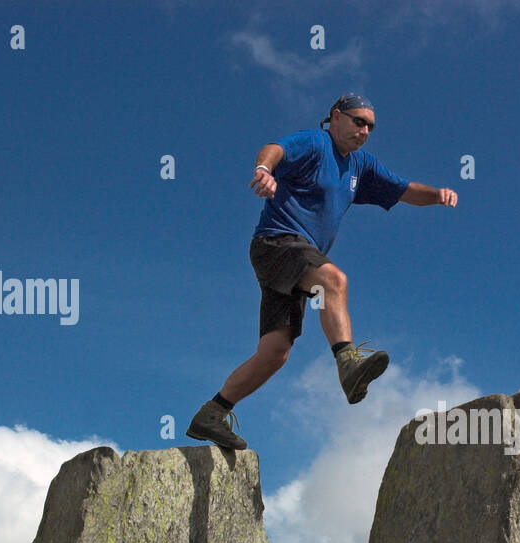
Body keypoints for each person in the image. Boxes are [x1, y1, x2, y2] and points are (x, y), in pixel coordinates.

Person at [186, 92, 459, 450]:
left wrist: (437, 194)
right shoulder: (316, 142)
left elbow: (404, 190)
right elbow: (274, 148)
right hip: (276, 242)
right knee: (334, 279)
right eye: (358, 121)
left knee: (275, 352)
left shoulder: (360, 166)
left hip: (296, 262)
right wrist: (264, 170)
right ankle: (348, 364)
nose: (364, 130)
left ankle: (211, 414)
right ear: (336, 116)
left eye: (370, 126)